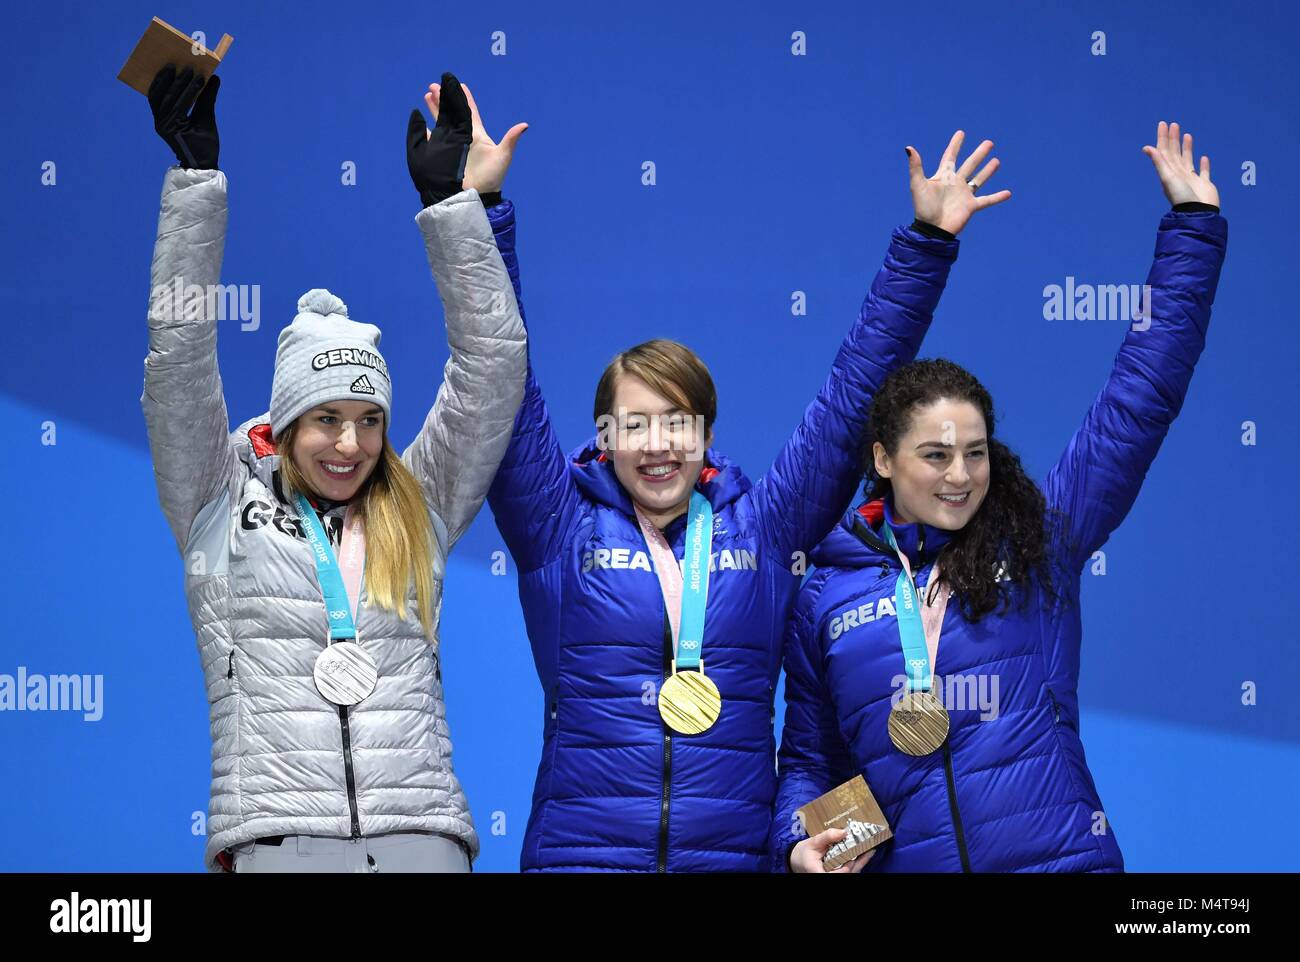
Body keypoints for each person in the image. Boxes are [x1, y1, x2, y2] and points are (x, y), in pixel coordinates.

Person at [435, 75, 1009, 871]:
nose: (659, 443)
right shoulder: (556, 527)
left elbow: (851, 399)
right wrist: (482, 218)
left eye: (679, 422)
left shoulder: (765, 530)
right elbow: (505, 377)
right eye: (636, 424)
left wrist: (925, 244)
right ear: (603, 437)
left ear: (707, 434)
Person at [774, 121, 1228, 873]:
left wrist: (1193, 233)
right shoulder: (824, 591)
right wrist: (802, 845)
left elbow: (1137, 401)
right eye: (936, 455)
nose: (960, 475)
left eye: (976, 453)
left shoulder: (1036, 544)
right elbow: (811, 762)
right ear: (883, 459)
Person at [140, 66, 526, 872]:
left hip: (421, 839)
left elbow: (492, 369)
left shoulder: (418, 505)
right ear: (282, 424)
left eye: (368, 421)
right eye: (325, 419)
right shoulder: (218, 500)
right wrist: (194, 184)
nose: (349, 445)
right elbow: (178, 362)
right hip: (278, 842)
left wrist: (455, 211)